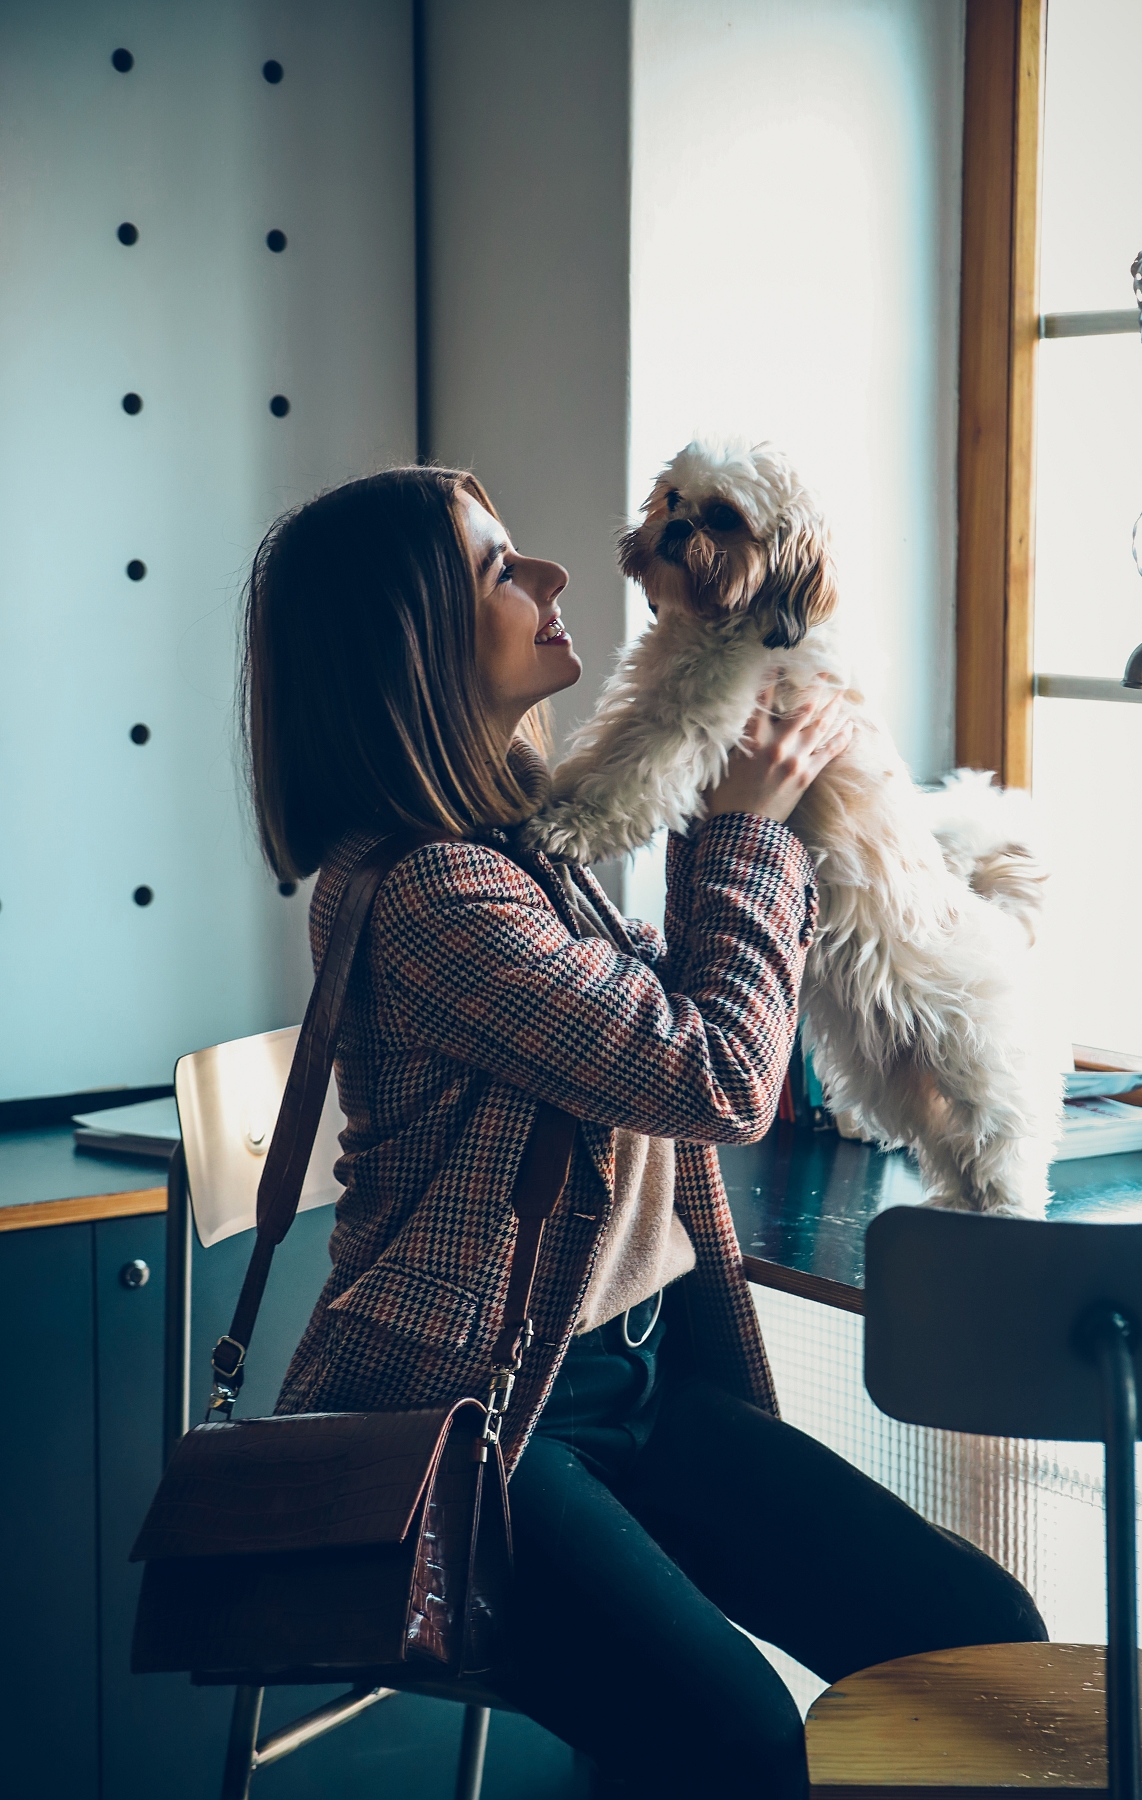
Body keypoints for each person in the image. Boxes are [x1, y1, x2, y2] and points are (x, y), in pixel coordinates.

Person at [243, 466, 1046, 1800]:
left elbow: (643, 1030)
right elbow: (716, 1074)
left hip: (629, 1378)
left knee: (984, 1640)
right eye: (501, 568)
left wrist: (776, 845)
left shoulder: (512, 844)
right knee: (738, 1743)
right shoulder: (433, 893)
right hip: (481, 1422)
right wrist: (744, 835)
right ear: (413, 641)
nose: (555, 579)